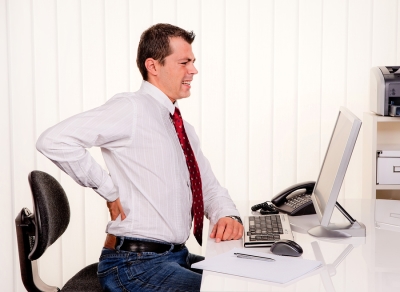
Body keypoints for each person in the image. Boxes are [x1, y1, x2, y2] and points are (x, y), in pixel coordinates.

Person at [36, 23, 243, 291]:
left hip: (174, 256)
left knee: (249, 280)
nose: (193, 70)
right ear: (153, 66)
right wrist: (109, 190)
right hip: (134, 264)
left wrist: (227, 215)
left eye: (193, 62)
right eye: (184, 62)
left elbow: (209, 186)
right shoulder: (131, 109)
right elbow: (53, 140)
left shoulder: (182, 128)